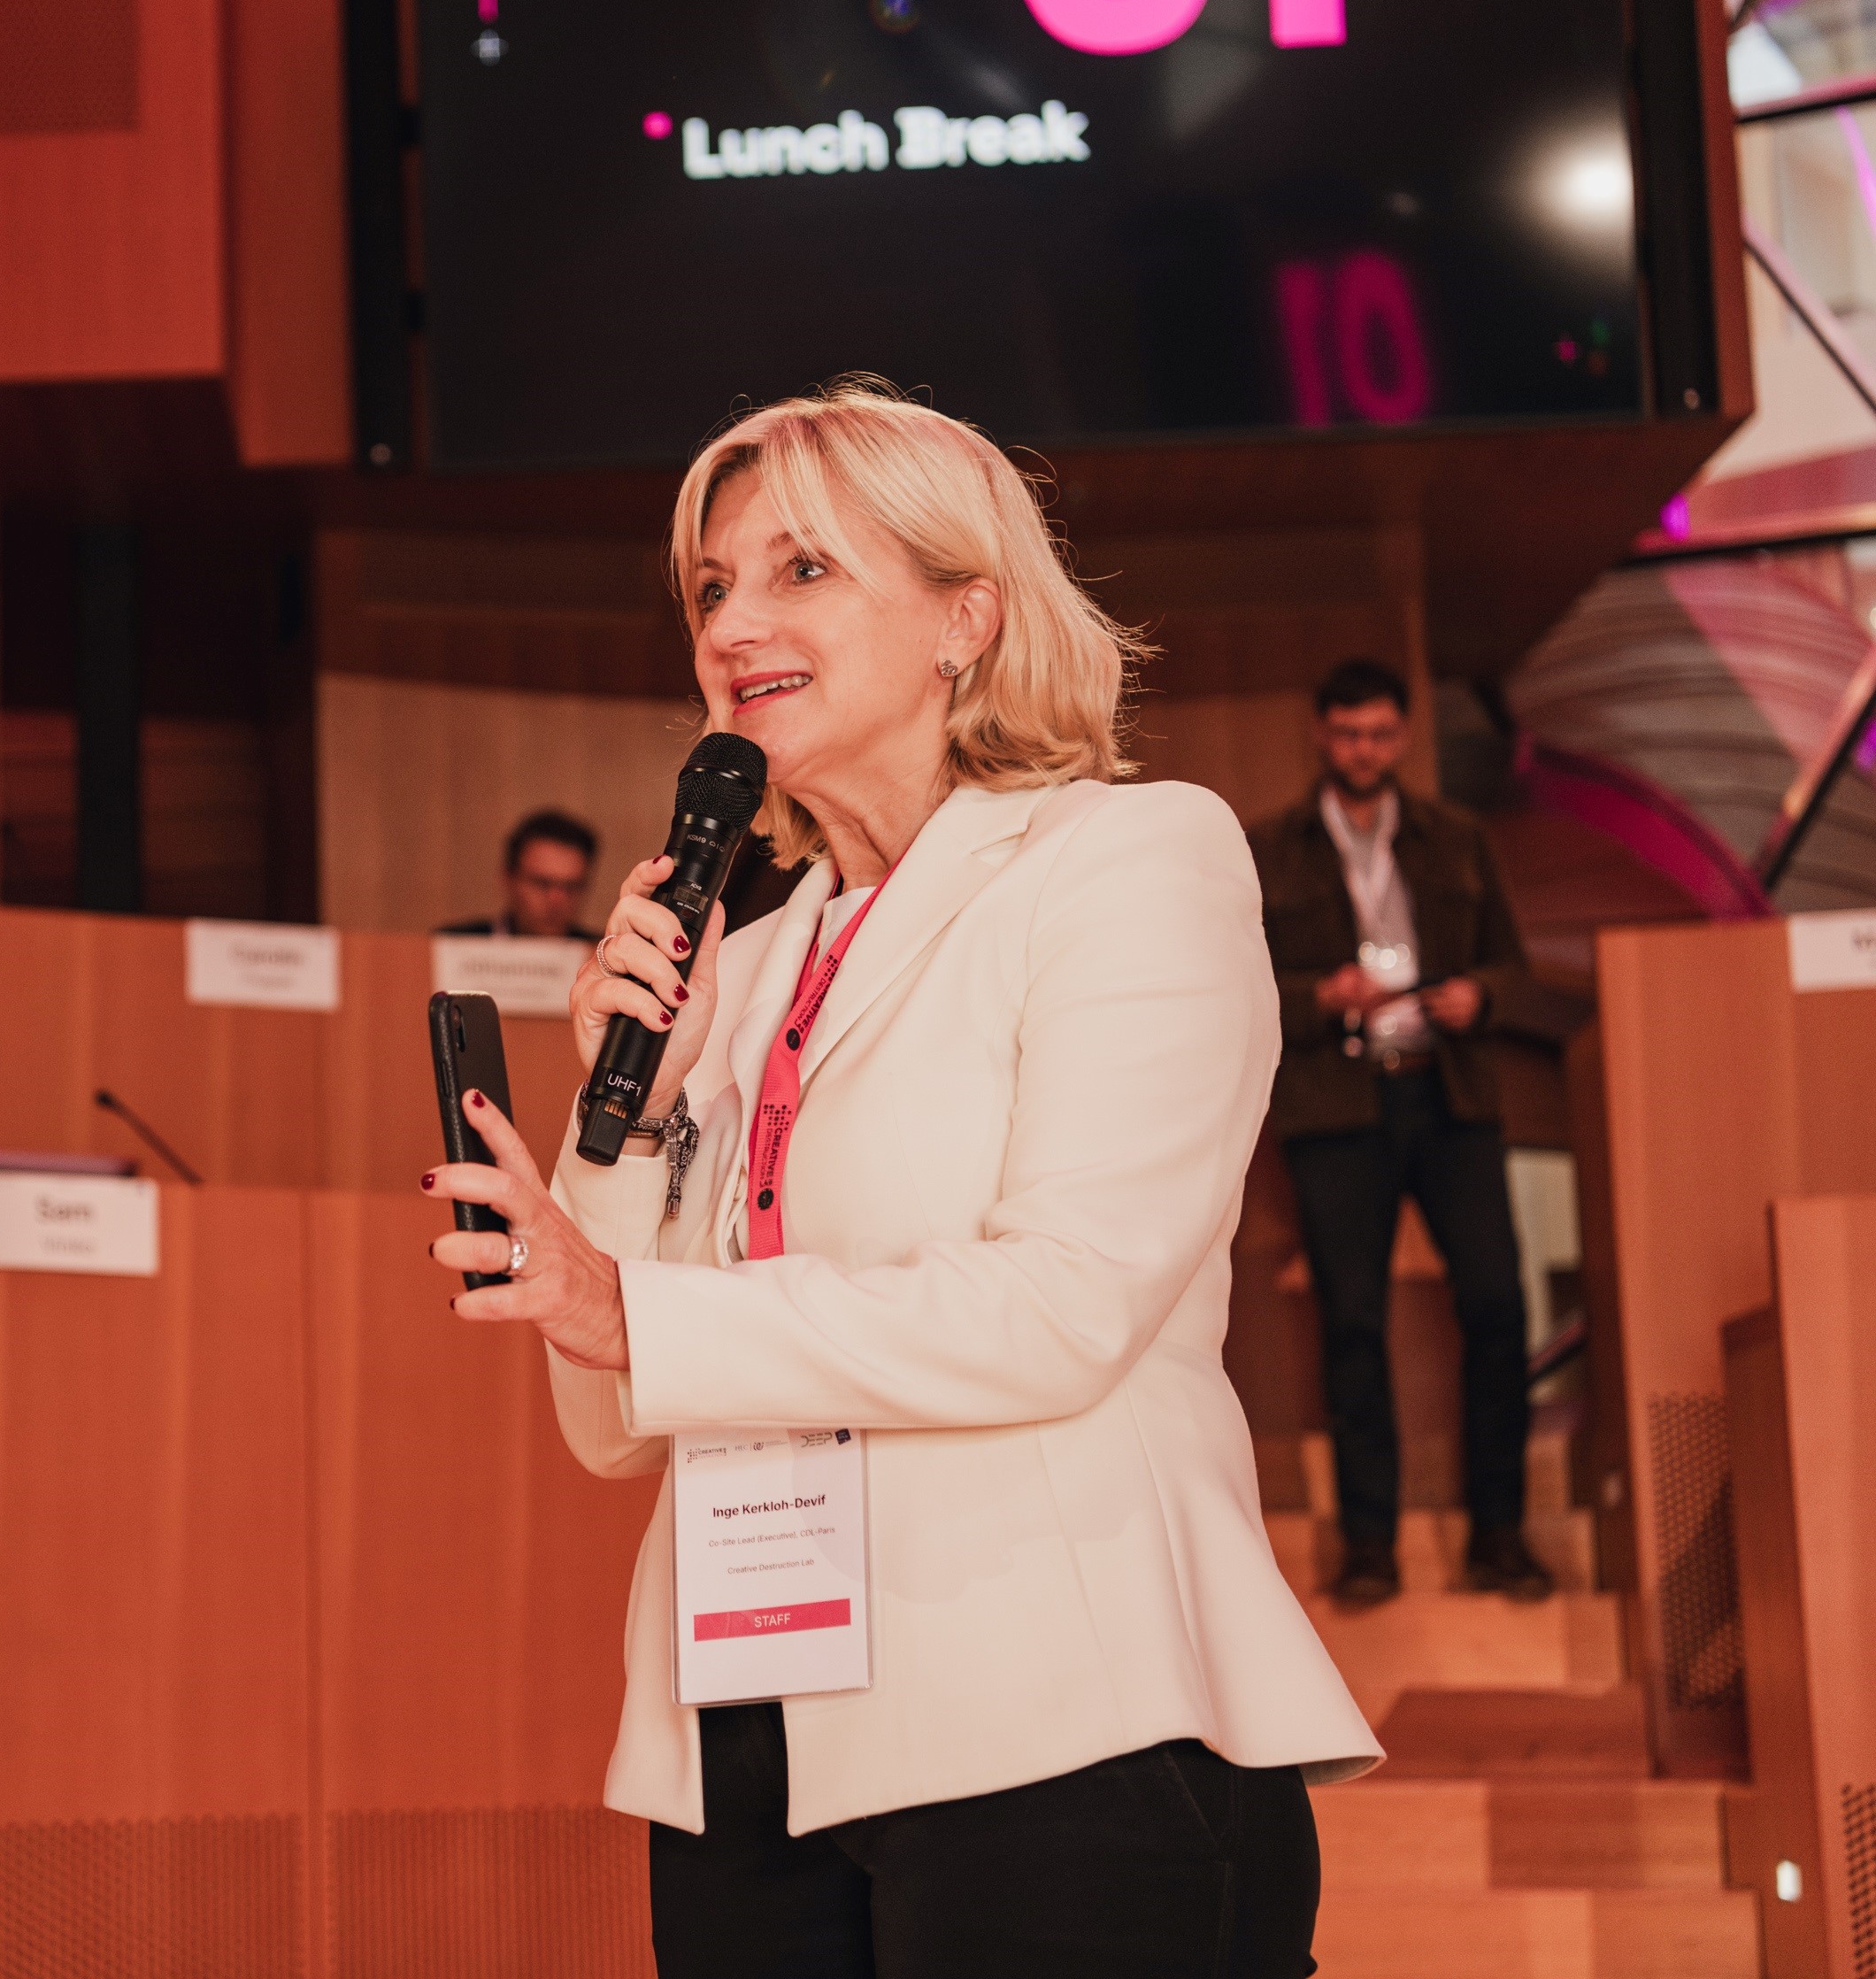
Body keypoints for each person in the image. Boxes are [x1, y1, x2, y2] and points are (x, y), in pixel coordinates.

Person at [420, 383, 1375, 1977]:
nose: (733, 624)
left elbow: (1064, 1306)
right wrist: (624, 1117)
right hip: (747, 1743)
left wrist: (632, 1312)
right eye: (712, 588)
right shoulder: (741, 962)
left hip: (1063, 1721)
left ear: (965, 617)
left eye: (801, 570)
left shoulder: (1127, 861)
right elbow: (611, 1420)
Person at [1248, 660, 1546, 1607]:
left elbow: (1513, 965)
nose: (1363, 751)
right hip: (1337, 1104)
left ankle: (1500, 1533)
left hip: (1449, 1094)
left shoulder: (1456, 837)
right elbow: (1236, 983)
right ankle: (1370, 1546)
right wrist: (1321, 995)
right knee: (1352, 1321)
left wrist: (1479, 996)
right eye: (1347, 734)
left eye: (1379, 734)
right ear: (1319, 733)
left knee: (1497, 1305)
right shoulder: (1270, 847)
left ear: (1404, 736)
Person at [437, 807, 601, 938]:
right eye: (542, 884)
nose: (556, 900)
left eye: (571, 887)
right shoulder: (451, 945)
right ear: (508, 879)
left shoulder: (603, 956)